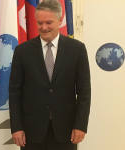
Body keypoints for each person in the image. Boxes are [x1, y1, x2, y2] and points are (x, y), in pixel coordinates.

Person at [9, 0, 91, 150]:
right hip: (31, 132)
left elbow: (84, 92)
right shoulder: (22, 51)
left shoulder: (77, 50)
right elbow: (15, 92)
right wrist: (16, 127)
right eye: (40, 23)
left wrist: (80, 126)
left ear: (59, 21)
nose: (44, 27)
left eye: (48, 22)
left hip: (66, 131)